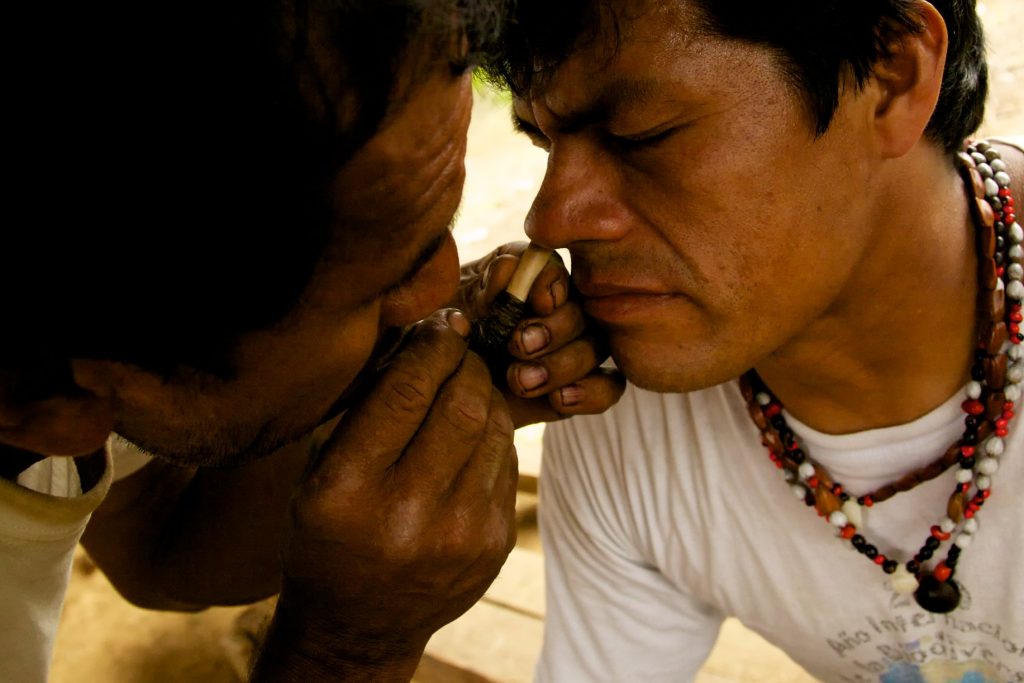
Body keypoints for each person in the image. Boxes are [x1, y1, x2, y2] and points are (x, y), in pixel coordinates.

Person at [0, 2, 624, 681]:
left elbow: (159, 543)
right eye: (377, 285)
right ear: (52, 407)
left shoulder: (89, 324)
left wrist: (395, 382)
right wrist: (343, 652)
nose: (442, 282)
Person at [480, 0, 1024, 680]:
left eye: (640, 135)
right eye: (543, 142)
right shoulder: (622, 419)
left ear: (891, 76)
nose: (552, 219)